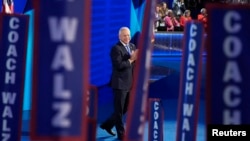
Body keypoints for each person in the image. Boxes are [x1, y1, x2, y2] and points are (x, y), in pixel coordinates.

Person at [100, 27, 138, 140]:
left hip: (129, 83)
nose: (127, 37)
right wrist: (131, 60)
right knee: (119, 110)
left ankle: (107, 124)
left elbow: (133, 66)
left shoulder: (132, 46)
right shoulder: (115, 49)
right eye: (125, 35)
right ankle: (122, 135)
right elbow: (119, 65)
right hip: (119, 84)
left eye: (128, 35)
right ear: (119, 36)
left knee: (124, 109)